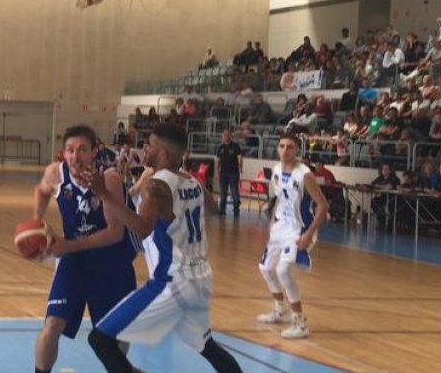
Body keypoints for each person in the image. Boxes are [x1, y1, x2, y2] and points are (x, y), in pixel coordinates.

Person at [85, 123, 243, 373]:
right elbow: (212, 209)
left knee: (100, 339)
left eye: (150, 145)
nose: (145, 148)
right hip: (200, 277)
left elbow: (142, 228)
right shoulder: (191, 180)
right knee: (207, 346)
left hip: (172, 280)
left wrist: (105, 195)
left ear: (164, 155)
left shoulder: (155, 186)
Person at [30, 125, 137, 373]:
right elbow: (41, 190)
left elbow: (115, 232)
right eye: (69, 150)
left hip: (111, 261)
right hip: (74, 262)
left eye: (82, 150)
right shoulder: (56, 173)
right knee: (53, 323)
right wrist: (36, 219)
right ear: (63, 152)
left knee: (113, 334)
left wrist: (68, 244)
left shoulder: (108, 179)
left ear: (94, 152)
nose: (75, 156)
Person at [257, 135, 328, 339]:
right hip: (281, 226)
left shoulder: (305, 175)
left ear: (296, 150)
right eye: (281, 146)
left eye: (290, 147)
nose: (285, 150)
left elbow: (323, 206)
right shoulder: (277, 170)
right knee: (265, 268)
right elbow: (279, 196)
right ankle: (281, 309)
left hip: (300, 229)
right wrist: (272, 220)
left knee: (284, 270)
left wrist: (309, 234)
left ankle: (300, 323)